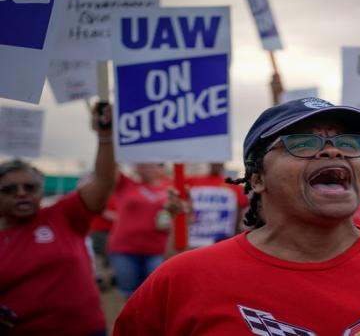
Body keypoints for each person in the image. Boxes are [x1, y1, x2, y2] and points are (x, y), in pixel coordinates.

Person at [113, 97, 360, 335]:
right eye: (302, 142)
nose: (333, 151)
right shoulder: (182, 280)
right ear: (257, 178)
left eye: (350, 143)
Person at [0, 103, 116, 336]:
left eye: (29, 187)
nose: (21, 193)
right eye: (10, 189)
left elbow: (103, 181)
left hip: (86, 330)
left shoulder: (63, 214)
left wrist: (105, 136)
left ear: (41, 192)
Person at [107, 163, 172, 298]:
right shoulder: (125, 184)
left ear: (162, 168)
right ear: (137, 167)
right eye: (143, 164)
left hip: (158, 251)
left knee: (155, 295)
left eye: (153, 164)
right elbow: (109, 167)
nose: (148, 167)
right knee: (129, 295)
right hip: (124, 250)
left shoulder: (171, 187)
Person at [185, 163, 249, 247]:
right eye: (214, 161)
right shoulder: (191, 181)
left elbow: (240, 214)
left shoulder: (235, 187)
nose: (216, 164)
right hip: (192, 243)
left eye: (219, 162)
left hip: (223, 244)